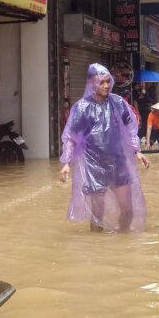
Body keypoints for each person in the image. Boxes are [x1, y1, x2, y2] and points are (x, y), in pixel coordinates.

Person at [59, 64, 149, 232]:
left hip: (118, 163)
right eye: (102, 82)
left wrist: (137, 151)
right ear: (92, 82)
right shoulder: (81, 108)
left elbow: (131, 127)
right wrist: (66, 162)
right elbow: (71, 137)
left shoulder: (118, 103)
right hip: (94, 166)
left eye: (108, 81)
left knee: (127, 209)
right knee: (97, 214)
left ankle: (123, 239)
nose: (106, 85)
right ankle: (97, 247)